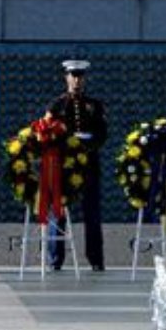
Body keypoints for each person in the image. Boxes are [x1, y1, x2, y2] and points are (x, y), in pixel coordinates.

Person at [47, 59, 107, 272]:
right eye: (73, 76)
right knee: (58, 211)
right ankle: (56, 258)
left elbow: (102, 134)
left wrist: (86, 143)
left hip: (89, 164)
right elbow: (48, 132)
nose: (76, 80)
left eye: (80, 76)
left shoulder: (94, 105)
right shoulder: (57, 104)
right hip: (64, 165)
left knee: (92, 213)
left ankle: (96, 259)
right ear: (66, 77)